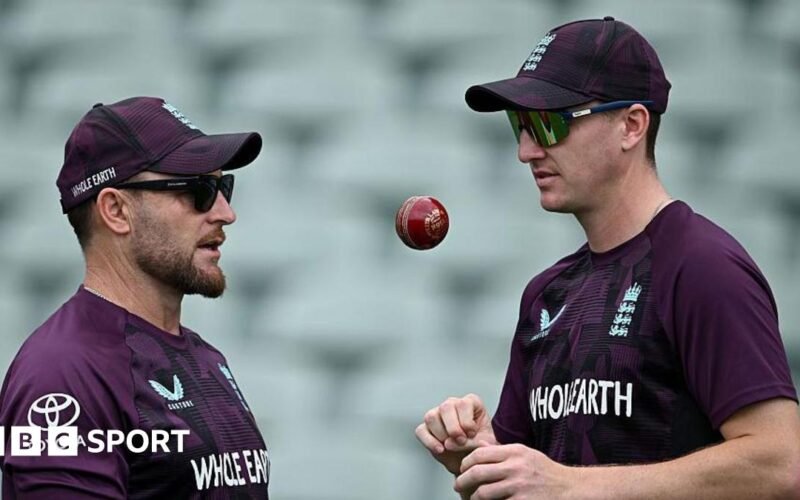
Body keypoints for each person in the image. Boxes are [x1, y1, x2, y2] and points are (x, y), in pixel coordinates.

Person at [415, 17, 800, 499]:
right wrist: (480, 456)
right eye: (519, 125)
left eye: (550, 123)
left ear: (631, 126)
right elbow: (533, 485)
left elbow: (781, 464)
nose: (526, 151)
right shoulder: (545, 293)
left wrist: (571, 486)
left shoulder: (702, 266)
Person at [0, 97, 270, 498]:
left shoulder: (206, 358)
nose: (225, 213)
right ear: (115, 210)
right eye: (199, 190)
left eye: (223, 186)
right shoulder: (62, 372)